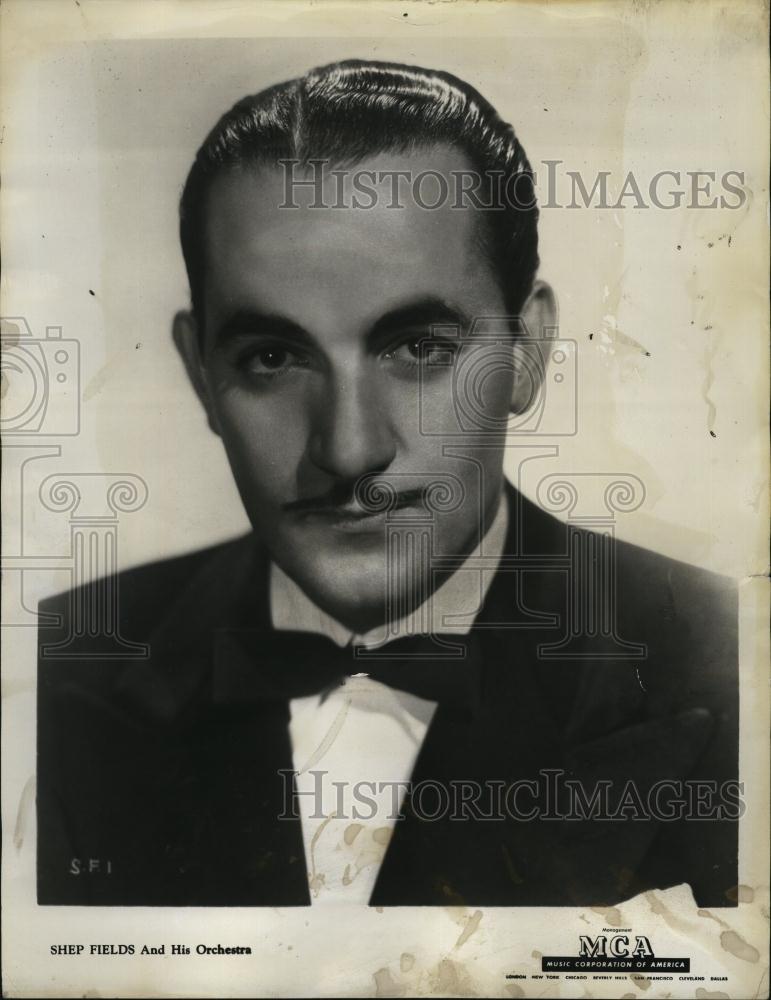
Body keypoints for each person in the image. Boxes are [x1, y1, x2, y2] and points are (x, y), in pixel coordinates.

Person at [37, 60, 738, 908]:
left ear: (525, 354)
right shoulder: (55, 669)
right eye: (271, 358)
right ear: (198, 374)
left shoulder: (724, 660)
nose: (348, 448)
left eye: (416, 348)